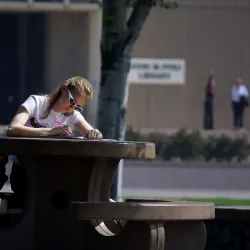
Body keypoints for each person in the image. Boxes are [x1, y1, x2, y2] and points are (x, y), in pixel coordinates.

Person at [1, 76, 102, 207]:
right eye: (72, 101)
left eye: (78, 107)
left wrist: (95, 133)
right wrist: (50, 131)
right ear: (63, 88)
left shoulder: (72, 115)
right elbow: (13, 129)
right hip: (25, 167)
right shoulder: (36, 102)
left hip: (53, 170)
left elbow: (91, 133)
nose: (72, 108)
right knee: (26, 204)